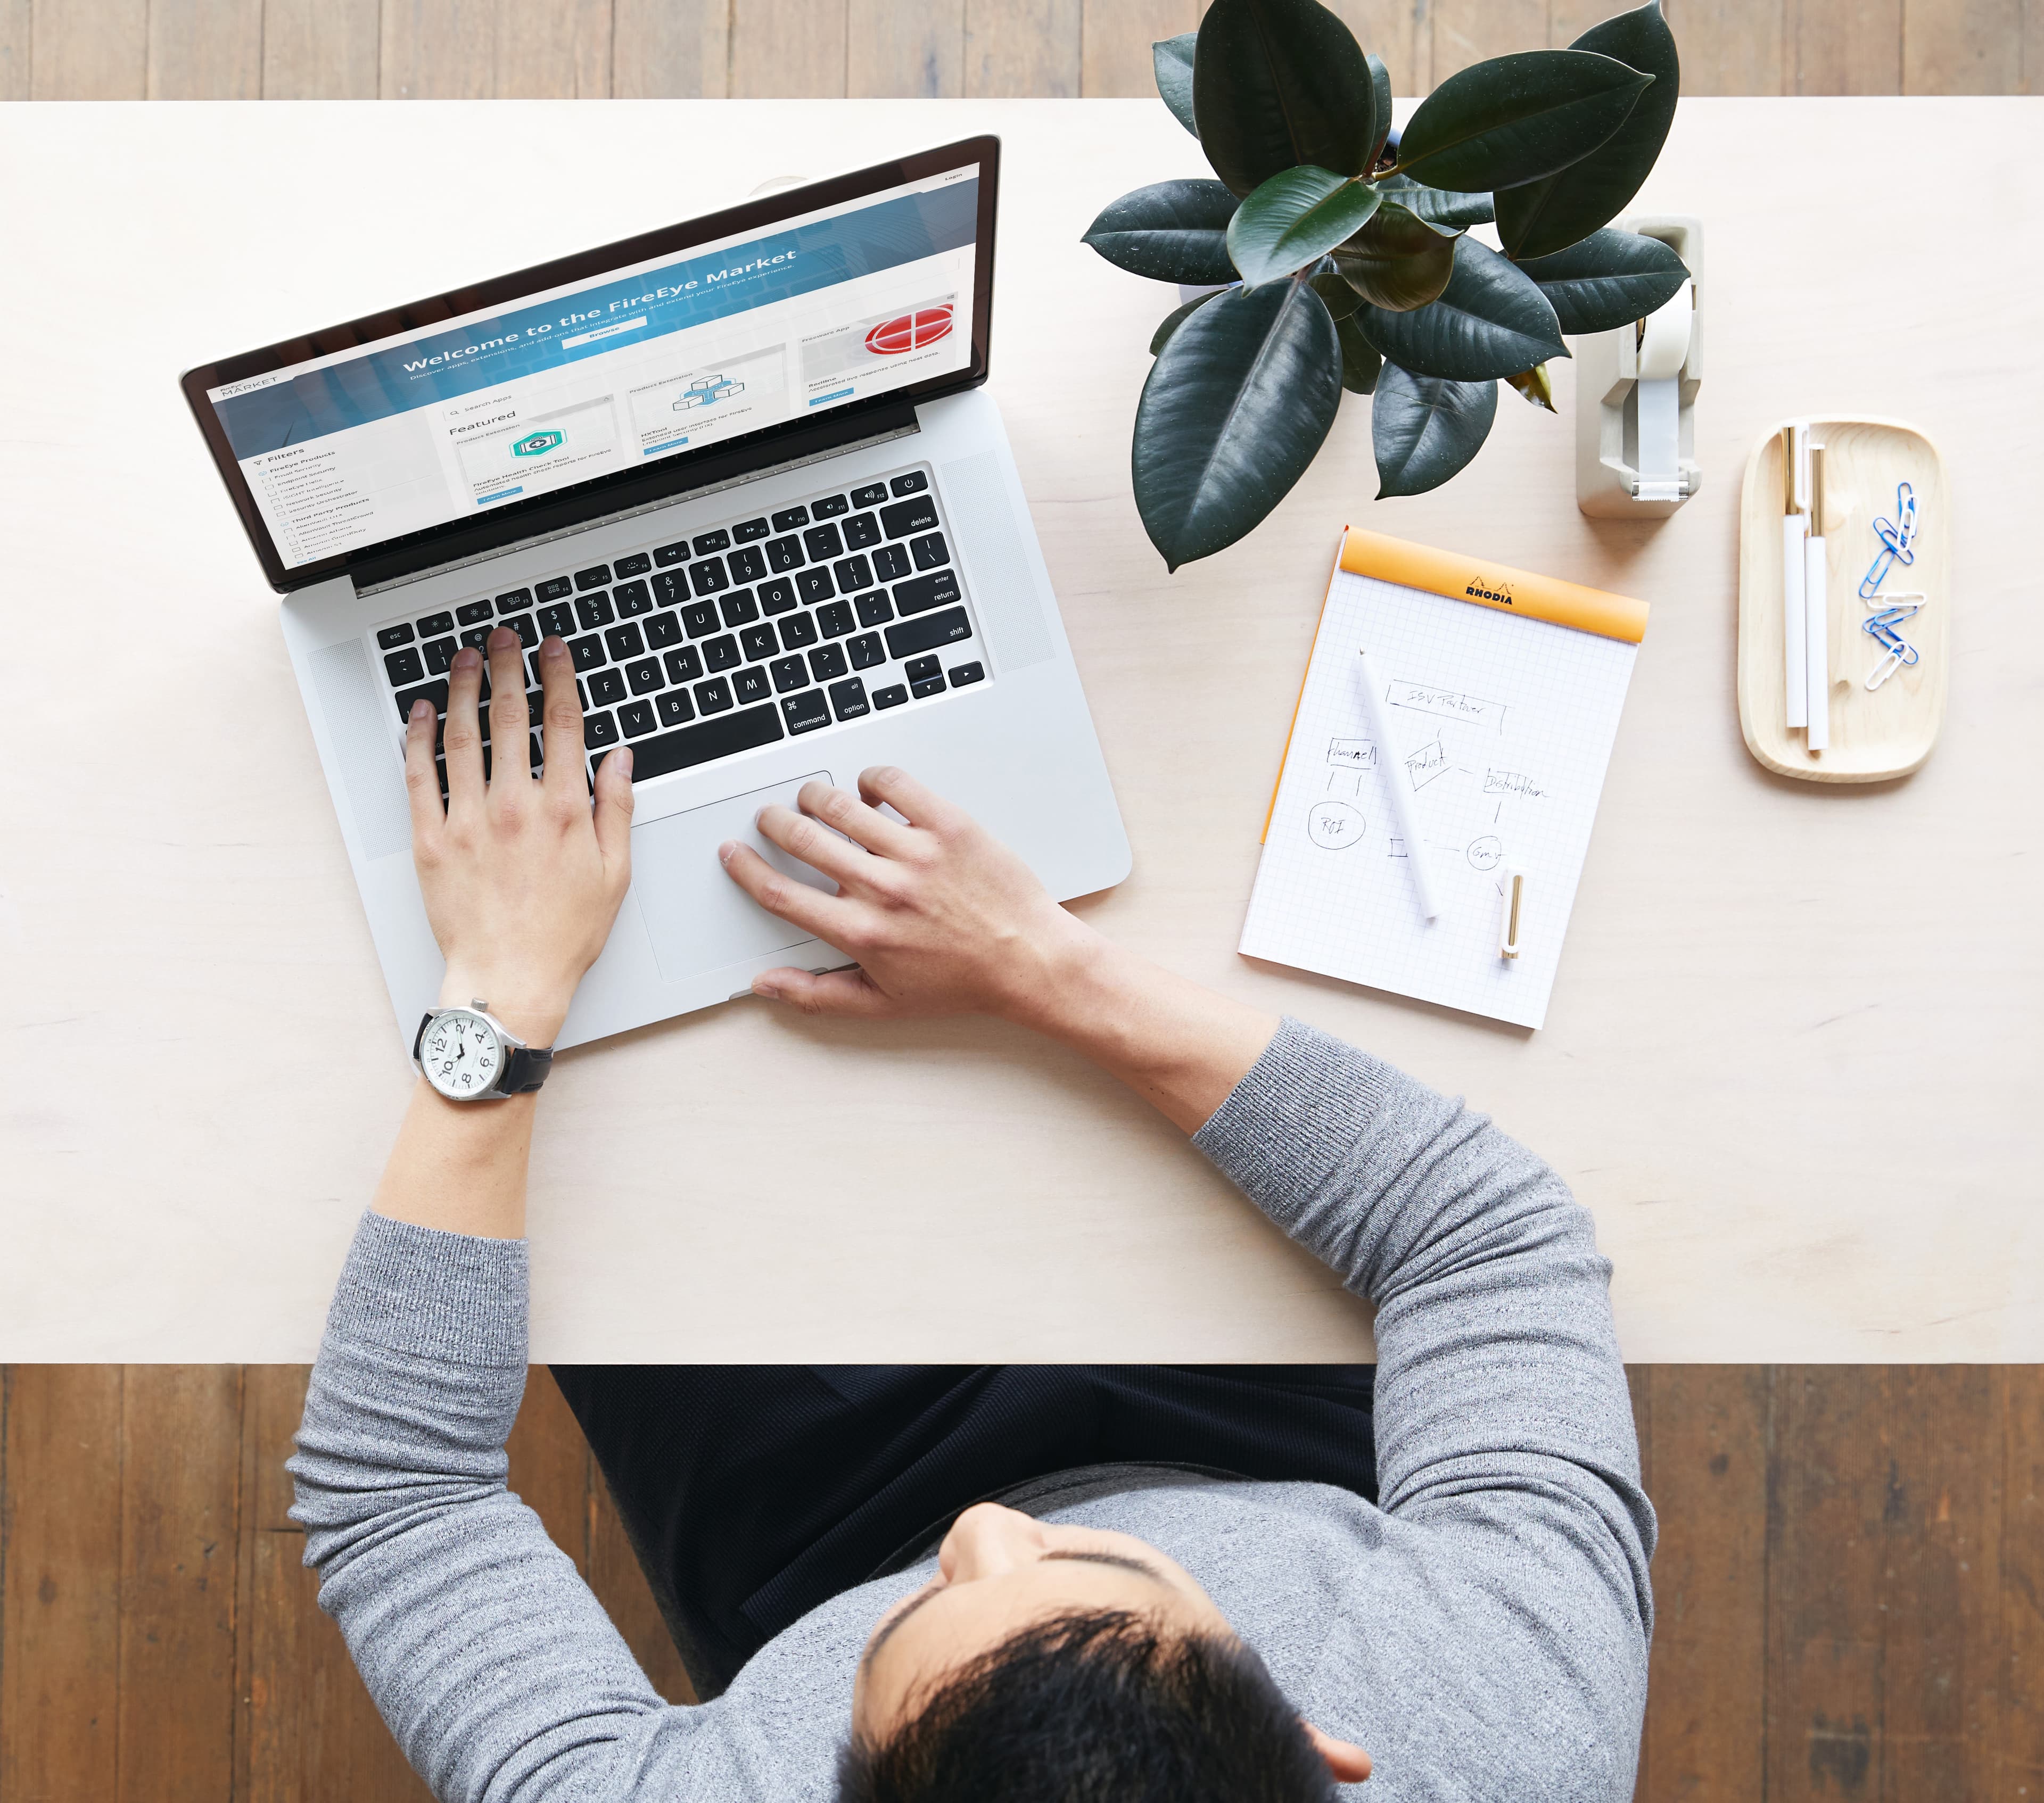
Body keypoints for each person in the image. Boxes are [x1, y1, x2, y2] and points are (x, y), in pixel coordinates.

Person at [291, 628, 1655, 1800]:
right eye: (1130, 1582)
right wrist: (1038, 958)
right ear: (1321, 1747)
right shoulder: (1504, 1706)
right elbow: (1488, 1241)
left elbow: (398, 1491)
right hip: (1265, 1437)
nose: (990, 1524)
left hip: (818, 1520)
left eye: (933, 1615)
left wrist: (501, 992)